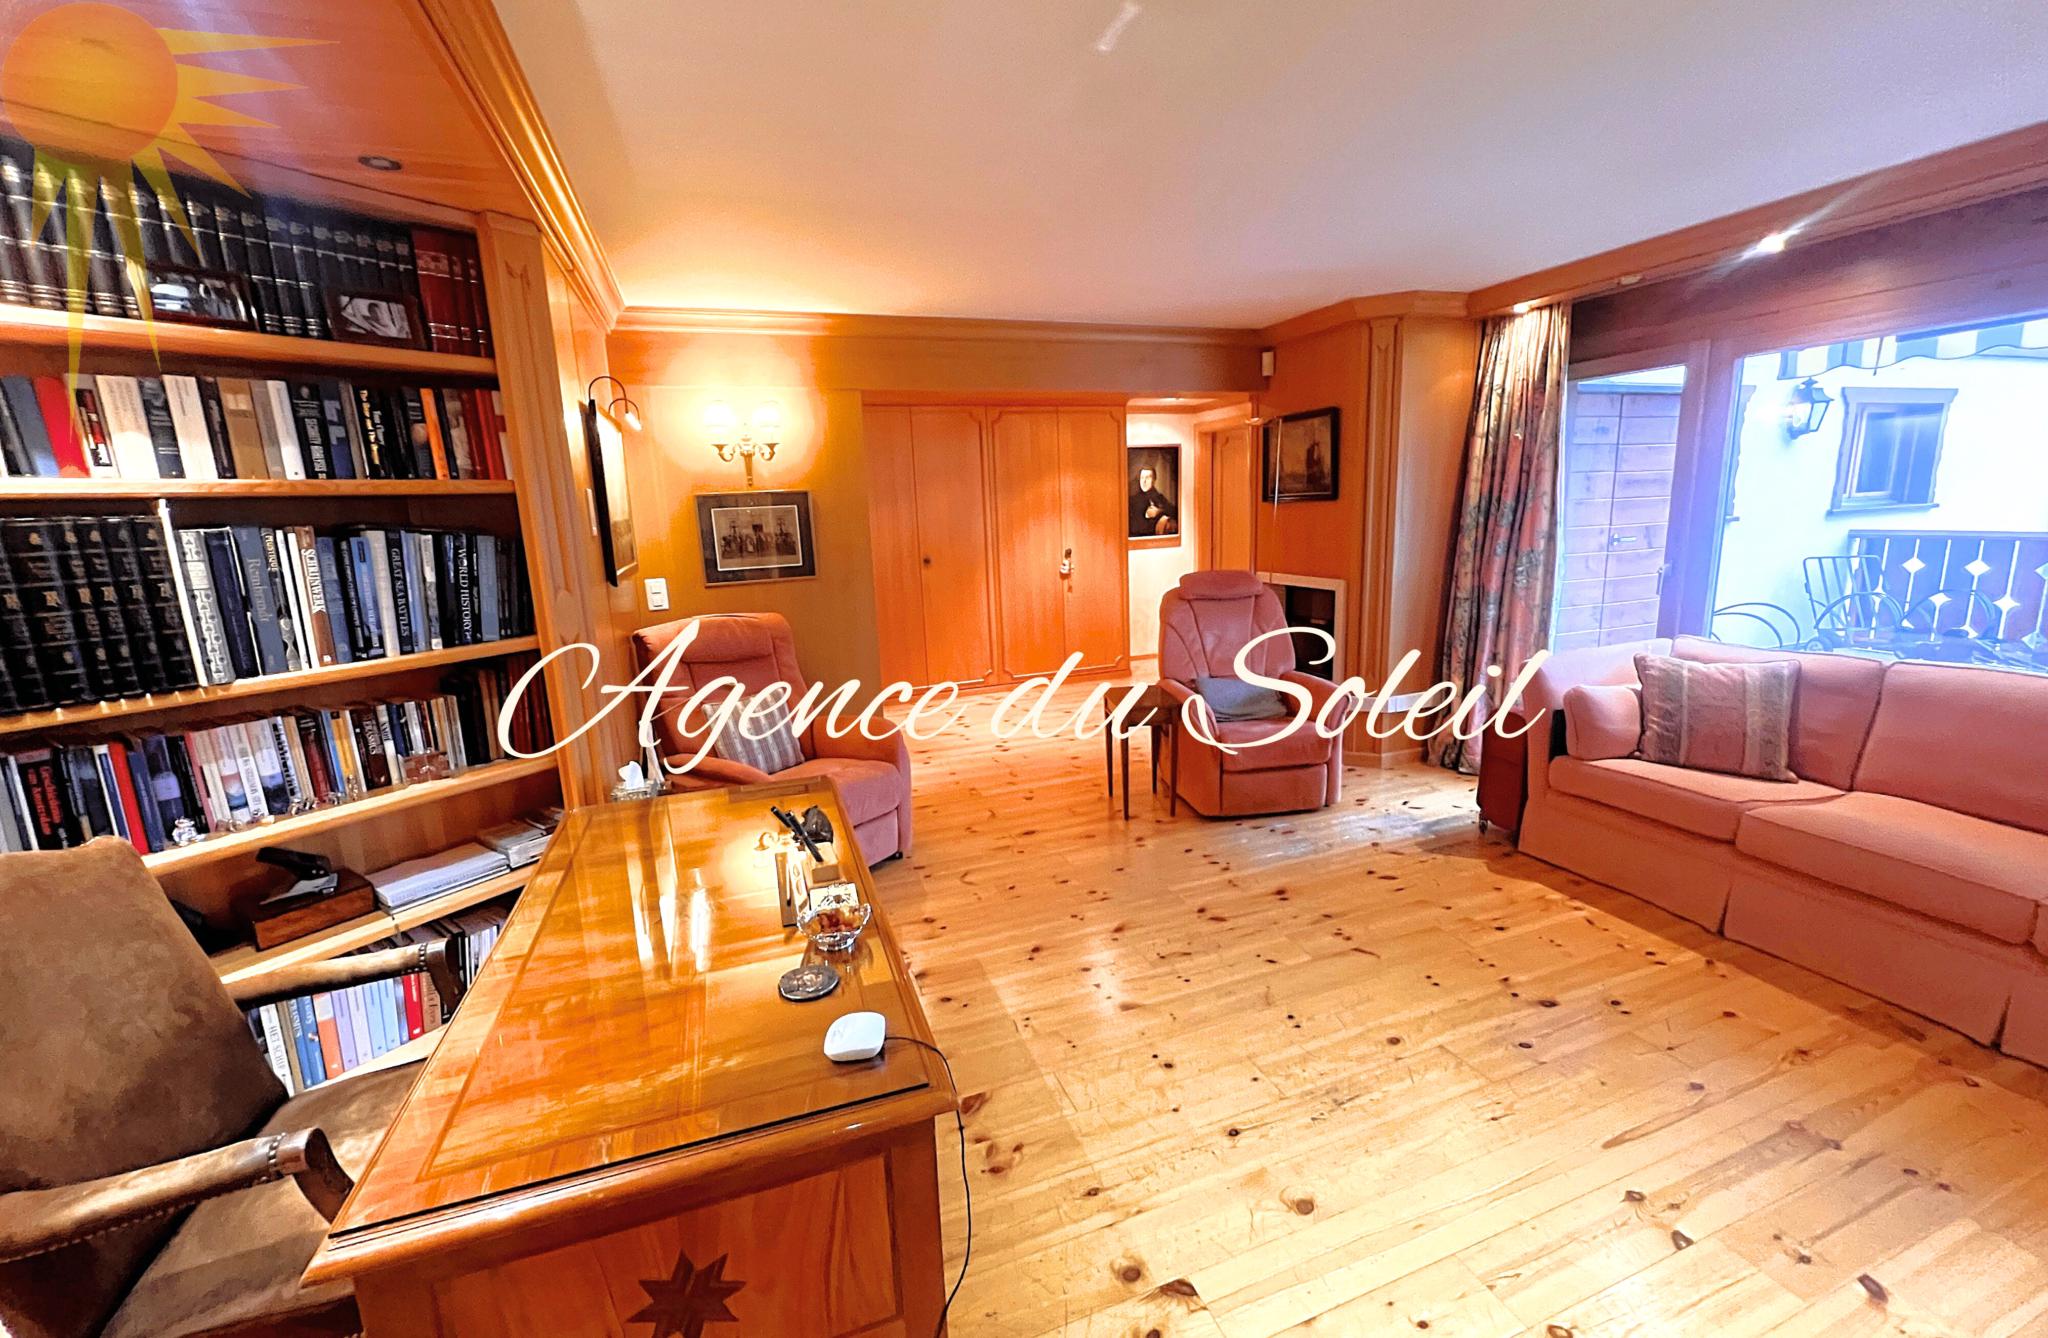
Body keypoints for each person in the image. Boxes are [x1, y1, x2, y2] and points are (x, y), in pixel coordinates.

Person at [1129, 465, 1178, 536]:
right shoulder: (1133, 501)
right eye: (1142, 478)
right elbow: (1135, 528)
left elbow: (1175, 513)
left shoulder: (1160, 497)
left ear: (1154, 480)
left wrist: (1159, 512)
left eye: (1148, 477)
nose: (1144, 481)